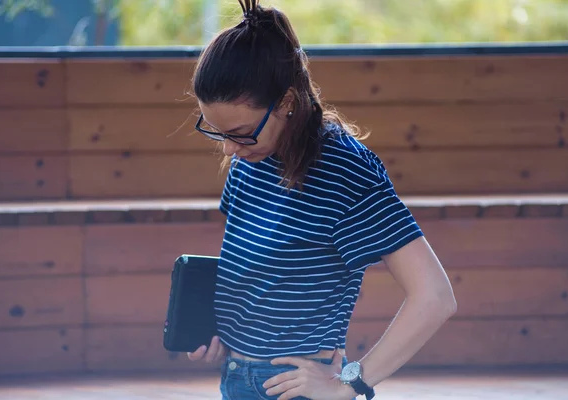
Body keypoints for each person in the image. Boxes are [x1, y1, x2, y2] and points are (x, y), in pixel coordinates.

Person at [186, 1, 457, 399]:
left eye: (240, 132)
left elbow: (435, 296)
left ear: (287, 102)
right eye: (216, 132)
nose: (228, 149)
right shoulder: (250, 158)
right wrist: (219, 327)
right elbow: (262, 269)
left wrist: (350, 382)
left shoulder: (347, 170)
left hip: (298, 387)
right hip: (235, 377)